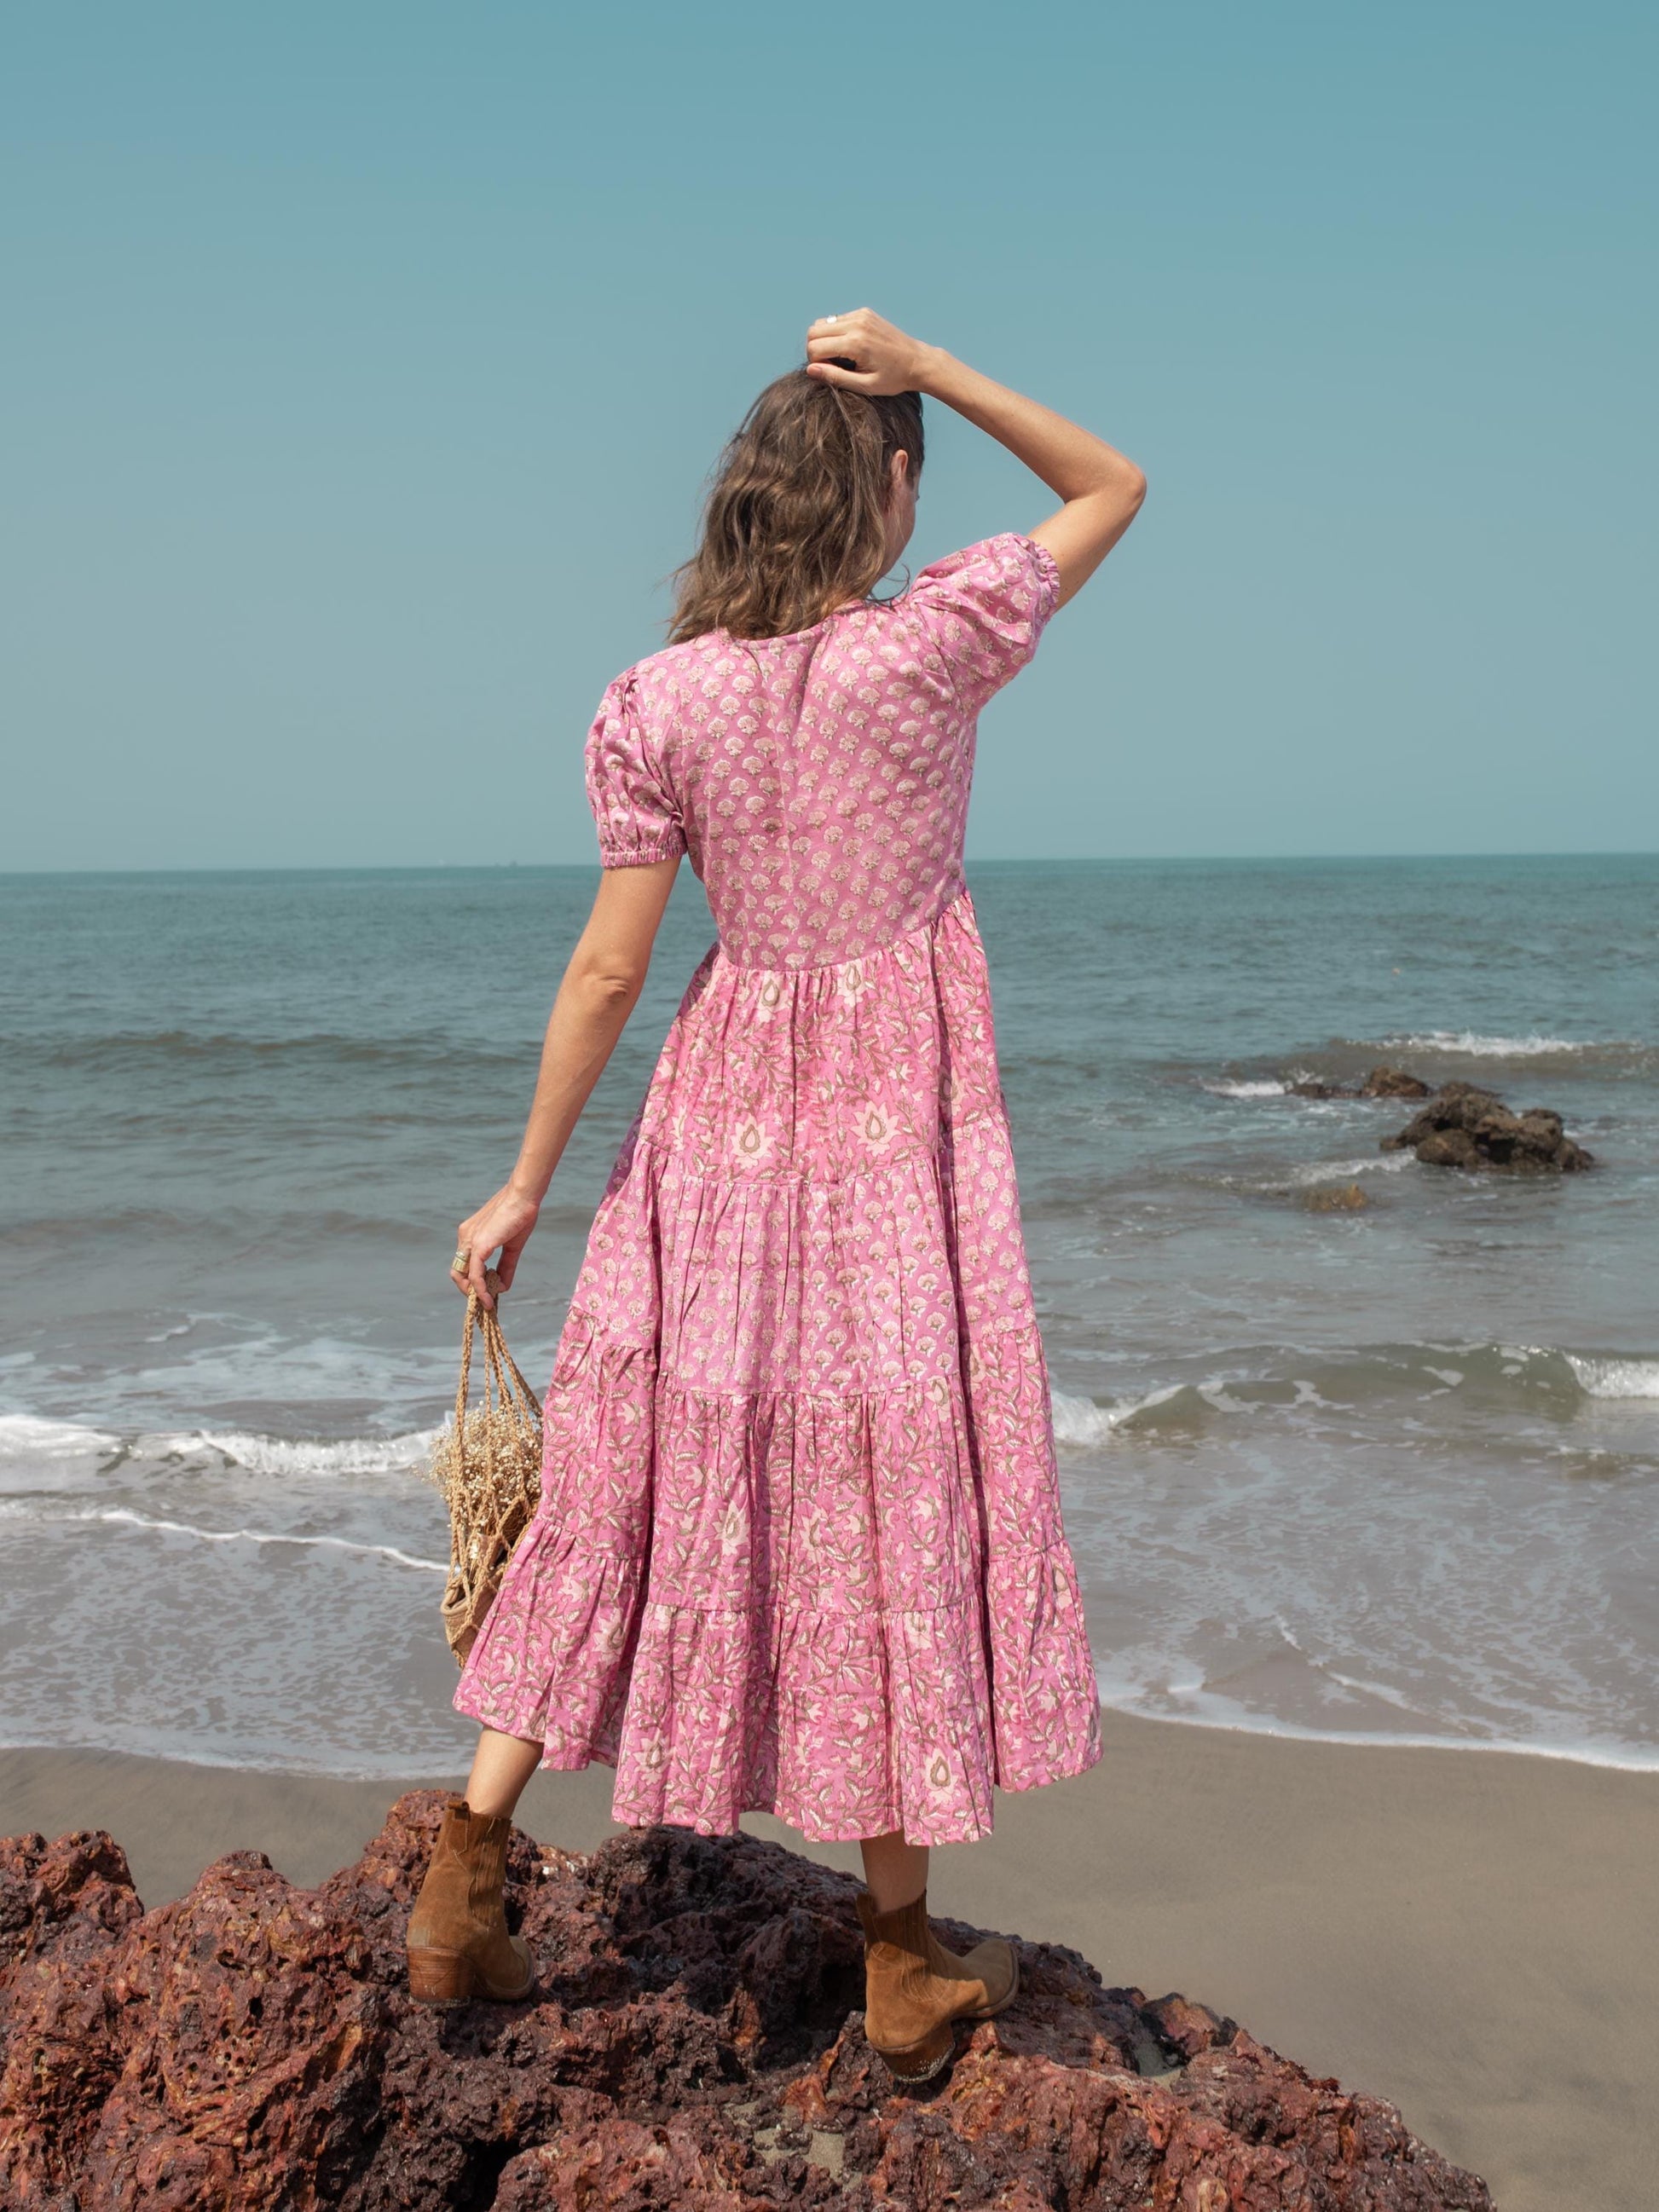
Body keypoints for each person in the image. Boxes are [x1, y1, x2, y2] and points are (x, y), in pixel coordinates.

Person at [406, 309, 1147, 2082]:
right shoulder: (934, 649)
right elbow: (1114, 479)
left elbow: (604, 970)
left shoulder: (653, 704)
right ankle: (897, 1952)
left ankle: (464, 1875)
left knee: (622, 1481)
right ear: (885, 498)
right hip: (894, 1146)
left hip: (717, 1132)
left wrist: (520, 1186)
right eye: (904, 472)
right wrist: (931, 363)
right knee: (884, 1489)